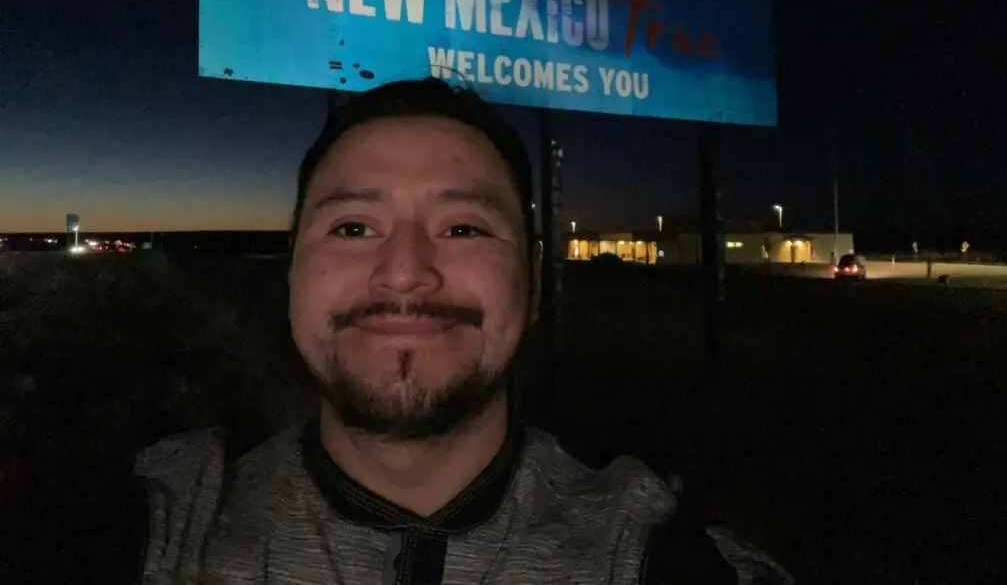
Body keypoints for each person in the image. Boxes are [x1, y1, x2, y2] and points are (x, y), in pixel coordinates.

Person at [21, 78, 793, 583]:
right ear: (292, 274)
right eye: (354, 227)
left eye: (463, 228)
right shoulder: (149, 529)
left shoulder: (660, 553)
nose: (404, 273)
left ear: (529, 278)